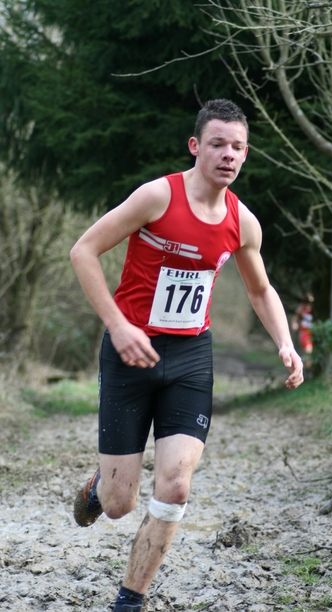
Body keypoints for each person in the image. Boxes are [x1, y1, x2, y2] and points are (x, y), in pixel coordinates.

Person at [70, 98, 304, 611]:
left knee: (175, 486)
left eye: (238, 147)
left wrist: (286, 343)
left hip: (191, 358)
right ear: (196, 146)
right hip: (130, 352)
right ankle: (100, 487)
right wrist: (117, 326)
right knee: (119, 504)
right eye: (218, 144)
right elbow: (83, 250)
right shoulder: (157, 196)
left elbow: (260, 290)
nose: (228, 155)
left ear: (246, 154)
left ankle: (129, 600)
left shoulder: (243, 222)